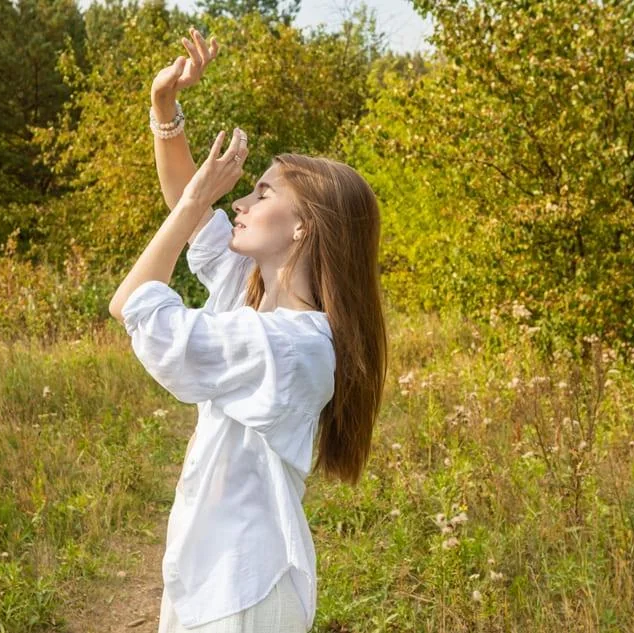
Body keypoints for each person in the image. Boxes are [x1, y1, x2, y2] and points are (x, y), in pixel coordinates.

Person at [107, 26, 388, 633]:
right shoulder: (255, 299)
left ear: (302, 228)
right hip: (213, 570)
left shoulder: (288, 346)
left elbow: (133, 305)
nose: (240, 202)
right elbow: (189, 204)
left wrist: (188, 209)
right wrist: (164, 109)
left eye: (259, 194)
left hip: (246, 590)